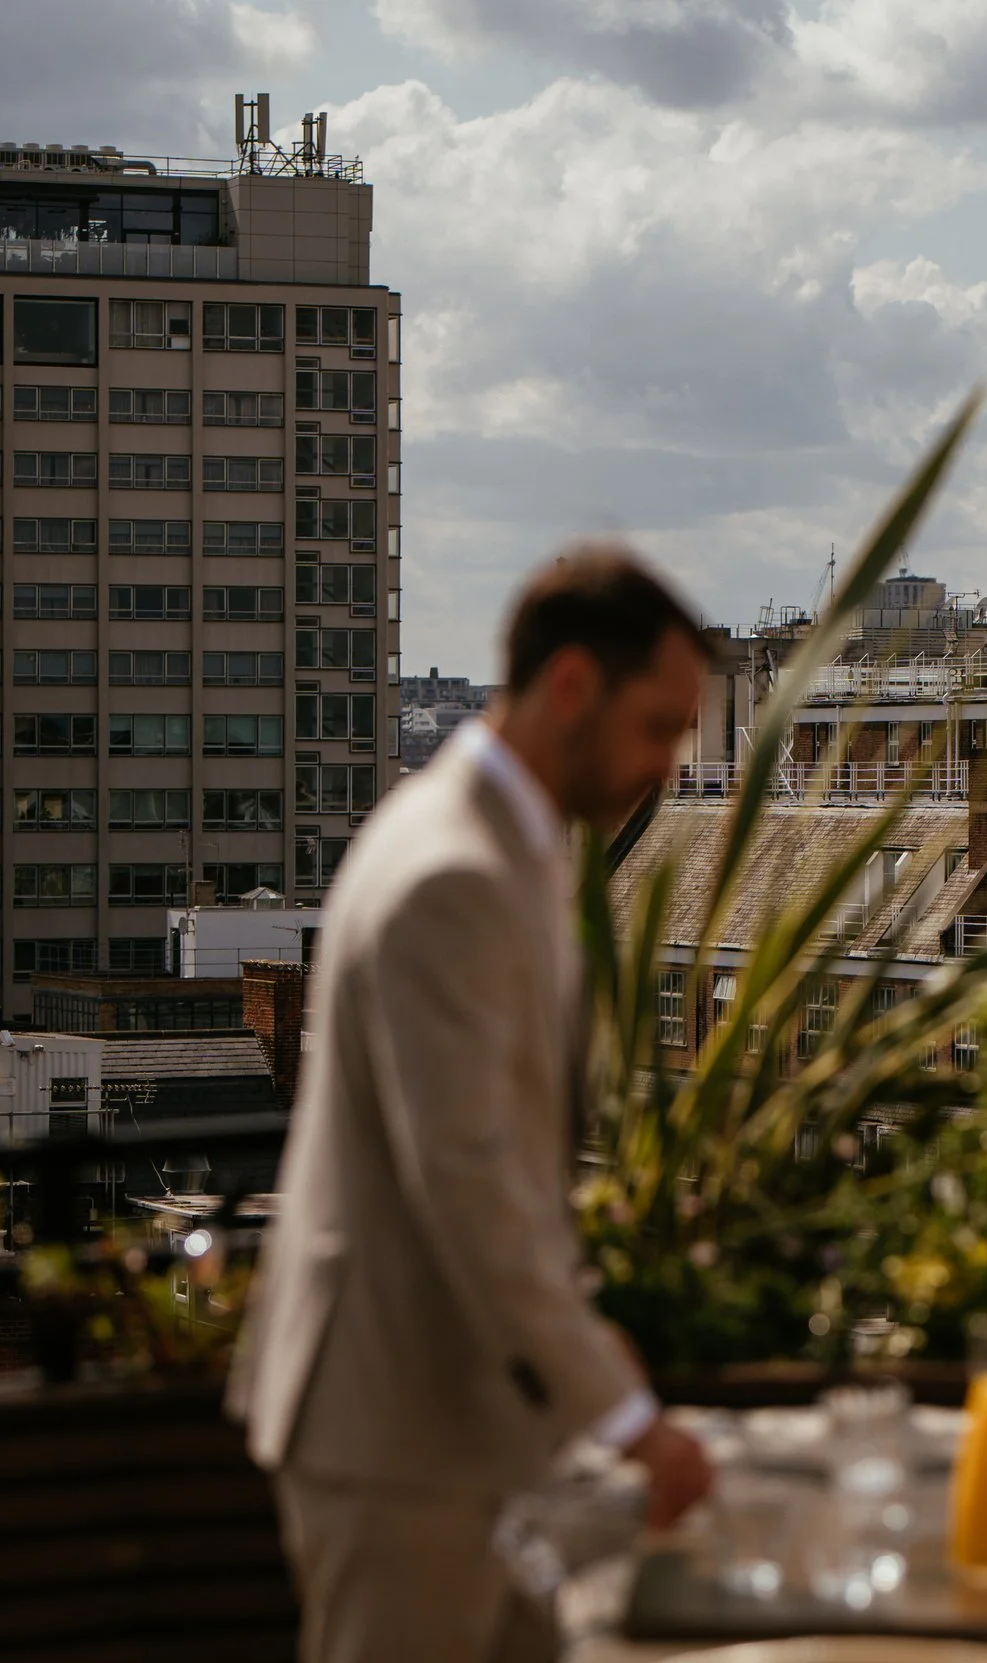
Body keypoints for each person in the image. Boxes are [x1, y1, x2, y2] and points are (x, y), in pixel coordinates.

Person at [229, 545, 717, 1663]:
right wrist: (627, 1418)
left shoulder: (493, 842)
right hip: (401, 1434)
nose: (668, 764)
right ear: (571, 688)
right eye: (658, 727)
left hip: (455, 1425)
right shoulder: (453, 873)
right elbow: (469, 1177)